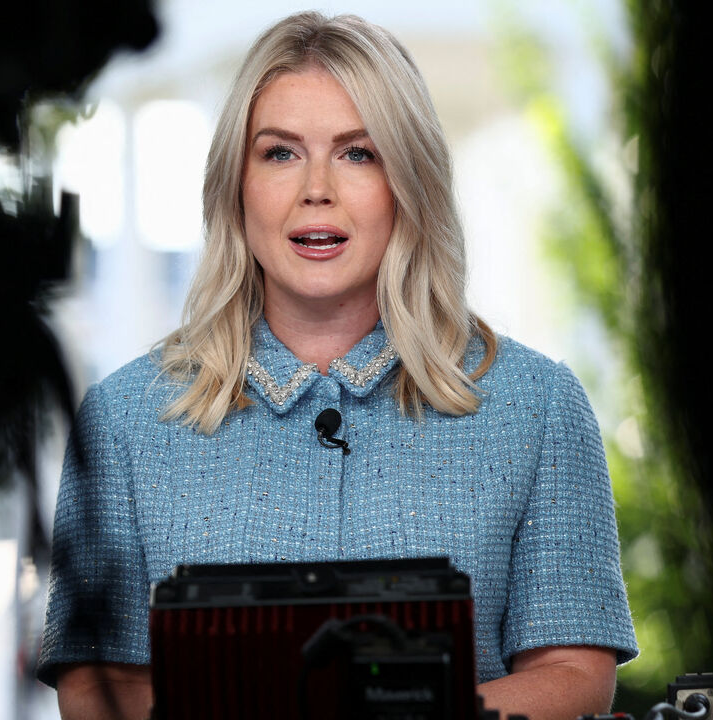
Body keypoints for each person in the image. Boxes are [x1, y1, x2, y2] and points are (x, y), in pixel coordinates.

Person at [37, 11, 637, 720]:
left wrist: (381, 710)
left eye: (358, 153)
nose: (316, 188)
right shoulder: (124, 419)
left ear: (408, 181)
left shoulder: (538, 406)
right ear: (236, 184)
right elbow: (96, 685)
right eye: (280, 153)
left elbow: (574, 674)